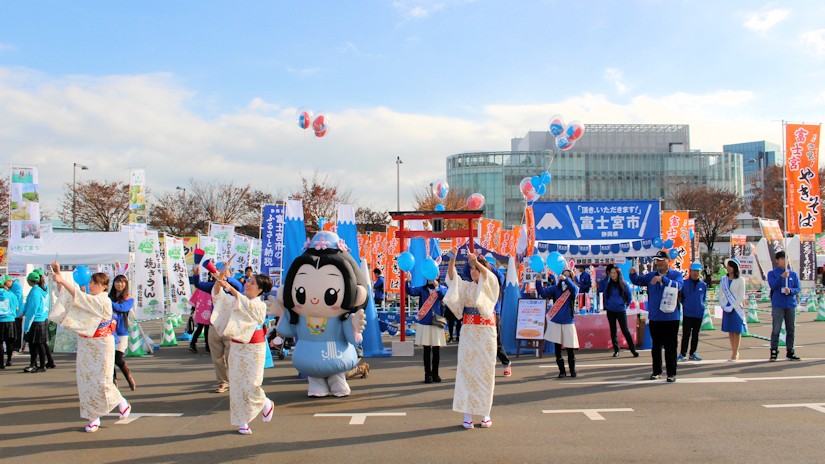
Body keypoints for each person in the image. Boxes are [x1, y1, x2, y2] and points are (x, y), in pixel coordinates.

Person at [49, 262, 130, 432]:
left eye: (95, 283)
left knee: (102, 381)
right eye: (91, 282)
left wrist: (63, 281)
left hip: (102, 344)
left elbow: (81, 298)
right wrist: (59, 277)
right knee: (85, 381)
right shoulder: (90, 298)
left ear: (104, 286)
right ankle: (93, 418)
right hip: (86, 344)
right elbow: (69, 298)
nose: (91, 285)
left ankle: (121, 402)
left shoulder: (103, 301)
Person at [211, 269, 274, 435]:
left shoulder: (260, 305)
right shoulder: (236, 300)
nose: (248, 284)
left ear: (260, 290)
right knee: (237, 385)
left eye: (252, 283)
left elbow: (250, 306)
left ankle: (265, 402)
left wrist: (231, 288)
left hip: (254, 349)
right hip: (237, 348)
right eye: (248, 281)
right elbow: (219, 298)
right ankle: (242, 422)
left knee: (251, 384)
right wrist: (219, 280)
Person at [444, 246, 499, 429]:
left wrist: (476, 261)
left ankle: (485, 413)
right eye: (472, 269)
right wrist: (452, 258)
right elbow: (453, 280)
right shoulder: (466, 286)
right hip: (469, 332)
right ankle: (467, 415)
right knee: (467, 373)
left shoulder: (490, 282)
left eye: (477, 269)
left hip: (486, 333)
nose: (474, 272)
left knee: (485, 372)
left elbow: (489, 278)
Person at [630, 251, 683, 383]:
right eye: (656, 260)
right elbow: (638, 281)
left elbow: (679, 286)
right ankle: (657, 371)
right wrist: (632, 274)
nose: (658, 263)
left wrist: (662, 279)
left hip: (671, 317)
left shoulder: (675, 275)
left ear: (668, 261)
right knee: (656, 347)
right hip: (655, 317)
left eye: (661, 260)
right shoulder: (651, 276)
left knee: (671, 347)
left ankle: (671, 373)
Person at [192, 263, 243, 393]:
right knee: (217, 358)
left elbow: (238, 286)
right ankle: (223, 382)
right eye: (217, 272)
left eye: (223, 272)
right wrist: (196, 273)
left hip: (231, 326)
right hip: (214, 326)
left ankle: (235, 381)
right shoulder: (213, 287)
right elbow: (198, 285)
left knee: (231, 357)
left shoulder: (234, 287)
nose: (219, 275)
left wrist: (227, 279)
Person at [406, 272, 448, 384]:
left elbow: (444, 295)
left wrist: (437, 287)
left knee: (436, 350)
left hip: (436, 323)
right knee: (426, 350)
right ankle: (427, 375)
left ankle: (436, 374)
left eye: (434, 274)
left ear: (438, 276)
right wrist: (408, 280)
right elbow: (411, 291)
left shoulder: (441, 288)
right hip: (425, 322)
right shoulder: (422, 289)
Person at [537, 269, 580, 378]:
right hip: (556, 321)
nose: (564, 277)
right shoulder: (556, 288)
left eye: (567, 276)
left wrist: (567, 280)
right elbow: (542, 292)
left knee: (570, 348)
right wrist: (538, 282)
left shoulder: (572, 290)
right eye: (563, 275)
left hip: (568, 321)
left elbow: (575, 289)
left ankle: (572, 370)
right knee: (557, 349)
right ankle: (562, 371)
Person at [767, 251, 801, 361]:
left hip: (790, 304)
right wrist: (782, 277)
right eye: (782, 259)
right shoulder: (772, 273)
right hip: (778, 304)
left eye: (786, 259)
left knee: (791, 329)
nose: (784, 261)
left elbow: (798, 289)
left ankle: (790, 351)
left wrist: (790, 290)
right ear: (777, 261)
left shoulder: (793, 274)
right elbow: (773, 286)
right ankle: (774, 351)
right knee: (776, 329)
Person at [598, 266, 639, 358]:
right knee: (613, 331)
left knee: (625, 330)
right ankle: (616, 350)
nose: (612, 275)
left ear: (618, 274)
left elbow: (629, 296)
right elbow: (605, 295)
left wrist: (625, 305)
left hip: (621, 310)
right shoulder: (608, 284)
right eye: (611, 273)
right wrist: (607, 305)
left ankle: (633, 350)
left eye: (614, 273)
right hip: (610, 310)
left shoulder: (624, 284)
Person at [21, 269, 52, 373]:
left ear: (30, 281)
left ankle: (38, 365)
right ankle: (38, 365)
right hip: (42, 319)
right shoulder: (42, 289)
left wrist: (27, 326)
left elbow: (32, 309)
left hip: (36, 321)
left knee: (36, 345)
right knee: (40, 344)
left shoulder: (35, 292)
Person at [109, 274, 136, 390]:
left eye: (122, 282)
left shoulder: (129, 299)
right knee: (109, 359)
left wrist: (106, 302)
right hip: (108, 331)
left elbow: (122, 308)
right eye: (117, 282)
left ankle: (129, 377)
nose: (119, 284)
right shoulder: (108, 297)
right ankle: (113, 382)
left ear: (125, 284)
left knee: (118, 358)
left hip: (121, 331)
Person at [719, 258, 747, 361]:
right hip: (727, 306)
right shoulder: (724, 279)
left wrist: (733, 306)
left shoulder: (740, 280)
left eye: (731, 266)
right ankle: (733, 350)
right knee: (730, 330)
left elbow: (741, 296)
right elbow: (720, 293)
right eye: (728, 266)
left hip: (736, 307)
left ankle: (736, 352)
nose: (729, 268)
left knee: (737, 330)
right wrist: (723, 305)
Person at [678, 262, 707, 361]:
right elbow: (681, 298)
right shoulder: (684, 283)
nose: (695, 273)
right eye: (694, 271)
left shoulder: (703, 285)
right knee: (686, 334)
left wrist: (701, 307)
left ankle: (693, 352)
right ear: (690, 271)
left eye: (697, 271)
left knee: (695, 334)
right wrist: (686, 306)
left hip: (698, 314)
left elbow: (703, 298)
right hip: (688, 313)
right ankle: (683, 353)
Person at [0, 275, 21, 368]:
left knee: (0, 343)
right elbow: (17, 308)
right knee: (9, 342)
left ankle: (1, 363)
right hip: (11, 320)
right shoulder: (12, 295)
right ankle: (9, 360)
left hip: (0, 321)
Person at [4, 276, 24, 355]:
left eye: (6, 284)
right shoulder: (12, 286)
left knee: (17, 330)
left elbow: (16, 297)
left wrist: (8, 291)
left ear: (9, 281)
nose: (5, 286)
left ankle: (16, 347)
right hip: (11, 313)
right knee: (12, 332)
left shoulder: (16, 285)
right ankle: (12, 347)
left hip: (17, 313)